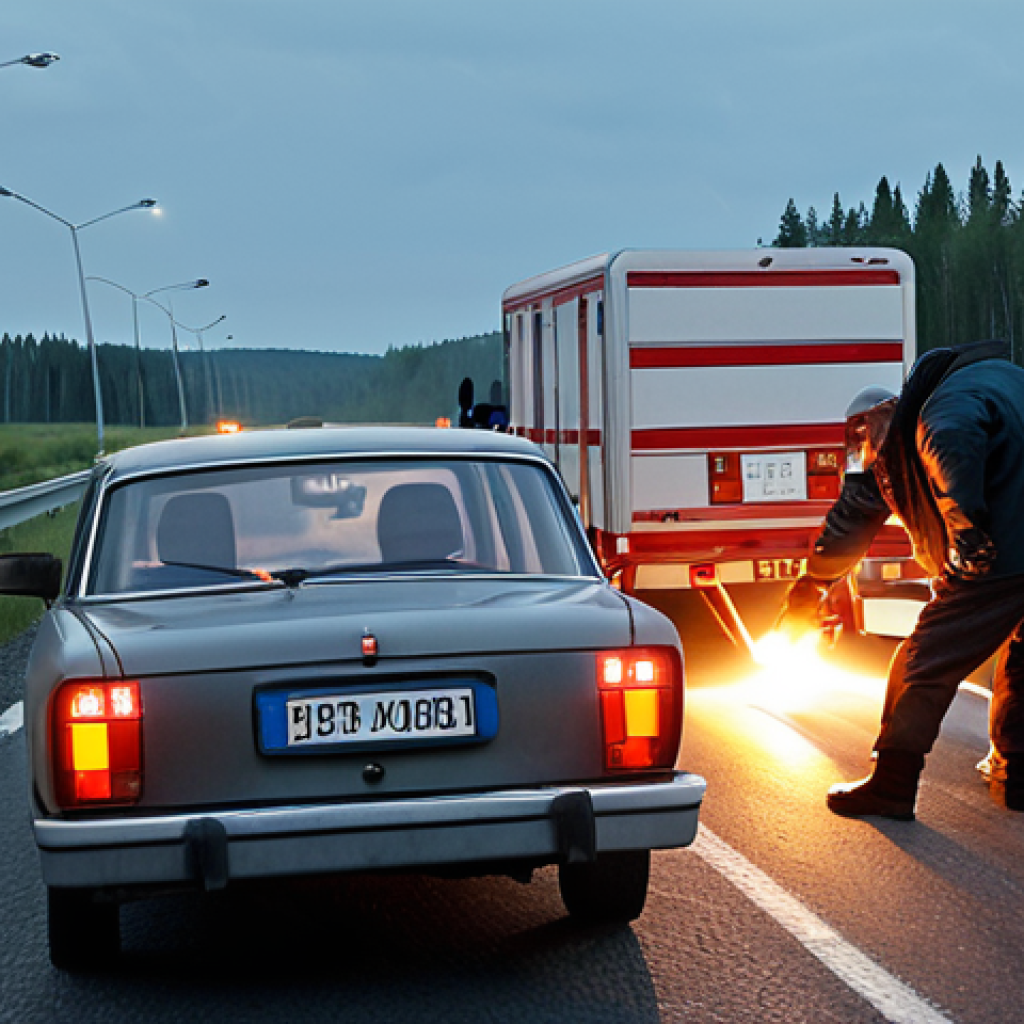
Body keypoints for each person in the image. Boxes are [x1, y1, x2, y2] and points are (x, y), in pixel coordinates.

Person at [776, 339, 1024, 819]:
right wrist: (813, 585)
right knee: (1022, 657)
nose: (866, 452)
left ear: (880, 417)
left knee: (922, 660)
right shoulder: (996, 382)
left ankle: (892, 783)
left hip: (1001, 553)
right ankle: (1019, 776)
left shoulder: (943, 408)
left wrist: (966, 536)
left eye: (865, 439)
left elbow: (952, 441)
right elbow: (856, 514)